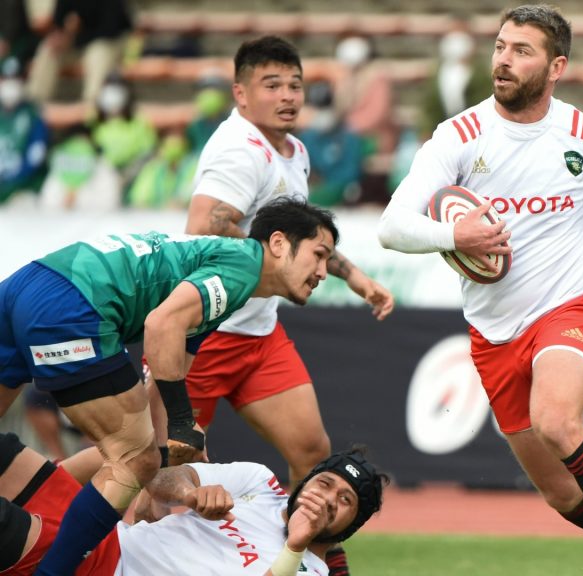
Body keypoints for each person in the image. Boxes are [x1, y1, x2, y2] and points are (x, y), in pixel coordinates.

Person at [378, 5, 583, 575]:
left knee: (558, 421)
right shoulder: (460, 135)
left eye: (522, 51)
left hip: (567, 306)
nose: (504, 60)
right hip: (492, 334)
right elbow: (392, 226)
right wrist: (453, 232)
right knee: (562, 495)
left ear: (556, 65)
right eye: (499, 47)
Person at [0, 197, 340, 574]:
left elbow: (160, 386)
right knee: (133, 458)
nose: (324, 271)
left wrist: (169, 448)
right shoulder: (243, 267)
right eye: (319, 254)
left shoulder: (220, 270)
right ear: (278, 244)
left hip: (32, 281)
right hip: (71, 305)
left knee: (141, 451)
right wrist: (181, 424)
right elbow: (162, 326)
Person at [184, 36, 393, 575]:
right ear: (241, 93)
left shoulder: (294, 152)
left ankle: (309, 565)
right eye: (271, 84)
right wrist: (273, 266)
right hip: (205, 335)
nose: (287, 95)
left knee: (313, 455)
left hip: (259, 336)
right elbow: (204, 224)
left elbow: (298, 237)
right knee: (165, 471)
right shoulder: (239, 149)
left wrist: (354, 275)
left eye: (295, 84)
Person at [0, 431, 388, 575]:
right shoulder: (261, 482)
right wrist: (190, 494)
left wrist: (295, 545)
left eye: (345, 501)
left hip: (105, 567)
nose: (327, 498)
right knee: (4, 453)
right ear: (306, 480)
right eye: (325, 482)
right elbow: (162, 477)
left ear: (351, 525)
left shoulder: (307, 570)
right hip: (107, 534)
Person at [25, 0, 133, 105]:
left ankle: (91, 107)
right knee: (49, 47)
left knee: (97, 53)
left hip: (113, 42)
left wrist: (71, 38)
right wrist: (60, 36)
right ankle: (34, 104)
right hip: (82, 41)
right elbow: (59, 22)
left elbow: (109, 30)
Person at [0, 55, 47, 205]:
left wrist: (12, 179)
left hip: (22, 187)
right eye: (6, 79)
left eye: (16, 80)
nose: (10, 85)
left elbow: (36, 154)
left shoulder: (33, 114)